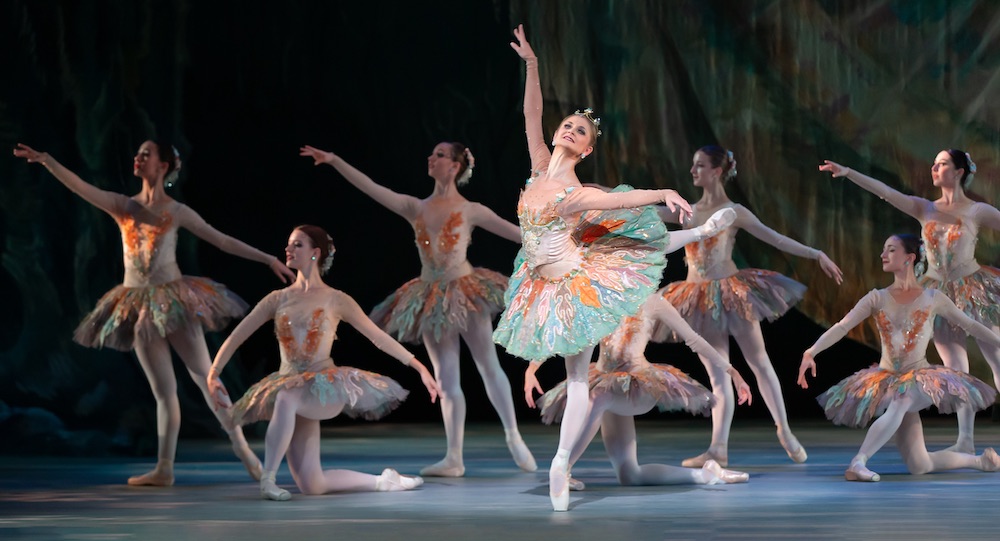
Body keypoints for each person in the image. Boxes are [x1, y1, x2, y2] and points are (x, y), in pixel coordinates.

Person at [495, 25, 744, 511]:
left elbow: (628, 197)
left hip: (575, 282)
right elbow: (531, 113)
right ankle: (696, 233)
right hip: (539, 283)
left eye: (580, 131)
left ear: (587, 150)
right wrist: (533, 65)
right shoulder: (537, 164)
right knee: (582, 368)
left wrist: (665, 194)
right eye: (567, 124)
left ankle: (560, 465)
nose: (570, 129)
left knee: (580, 378)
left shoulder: (577, 191)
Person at [13, 141, 296, 486]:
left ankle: (243, 449)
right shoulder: (123, 206)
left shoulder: (176, 211)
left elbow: (221, 240)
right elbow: (81, 187)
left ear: (163, 166)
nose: (138, 157)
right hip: (138, 306)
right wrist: (48, 161)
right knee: (164, 391)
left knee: (206, 377)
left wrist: (267, 259)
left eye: (146, 154)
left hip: (175, 300)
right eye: (138, 153)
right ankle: (164, 467)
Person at [299, 142, 535, 477]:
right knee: (445, 377)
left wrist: (566, 245)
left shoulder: (471, 210)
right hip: (428, 297)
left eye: (439, 154)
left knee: (487, 364)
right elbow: (373, 189)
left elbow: (519, 235)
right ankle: (454, 457)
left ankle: (513, 436)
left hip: (467, 292)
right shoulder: (415, 207)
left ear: (454, 166)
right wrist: (336, 160)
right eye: (432, 154)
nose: (431, 158)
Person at [207, 225, 440, 500]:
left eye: (297, 245)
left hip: (323, 389)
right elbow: (237, 335)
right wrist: (213, 373)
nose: (288, 249)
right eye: (288, 244)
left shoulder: (335, 299)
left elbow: (378, 337)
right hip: (291, 383)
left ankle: (267, 480)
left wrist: (420, 367)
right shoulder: (277, 299)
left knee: (285, 398)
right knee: (312, 484)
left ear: (315, 253)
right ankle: (383, 481)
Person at [660, 145, 844, 468]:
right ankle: (718, 448)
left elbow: (776, 239)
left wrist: (816, 254)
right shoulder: (685, 210)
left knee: (758, 361)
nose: (693, 172)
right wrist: (602, 195)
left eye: (699, 166)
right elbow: (645, 214)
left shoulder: (735, 211)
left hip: (732, 293)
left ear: (716, 171)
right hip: (697, 297)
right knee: (719, 373)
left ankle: (784, 430)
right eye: (693, 166)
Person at [819, 151, 1000, 452]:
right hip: (938, 291)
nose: (934, 167)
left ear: (958, 172)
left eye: (942, 164)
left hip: (973, 289)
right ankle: (965, 441)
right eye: (934, 163)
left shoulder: (976, 210)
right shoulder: (924, 207)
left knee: (996, 357)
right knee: (954, 366)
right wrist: (849, 172)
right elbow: (886, 193)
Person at [798, 234, 1000, 481]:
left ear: (909, 258)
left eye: (891, 250)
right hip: (887, 378)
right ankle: (979, 462)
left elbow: (971, 324)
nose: (883, 255)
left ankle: (858, 461)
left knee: (902, 398)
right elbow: (842, 326)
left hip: (920, 378)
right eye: (884, 250)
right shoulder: (877, 297)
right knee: (919, 464)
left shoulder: (932, 298)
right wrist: (811, 351)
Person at [529, 293, 754, 492]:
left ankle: (562, 468)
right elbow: (565, 337)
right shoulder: (597, 297)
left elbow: (693, 339)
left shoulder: (652, 301)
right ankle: (707, 474)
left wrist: (732, 372)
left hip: (638, 384)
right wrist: (532, 368)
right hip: (604, 380)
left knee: (597, 397)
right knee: (629, 474)